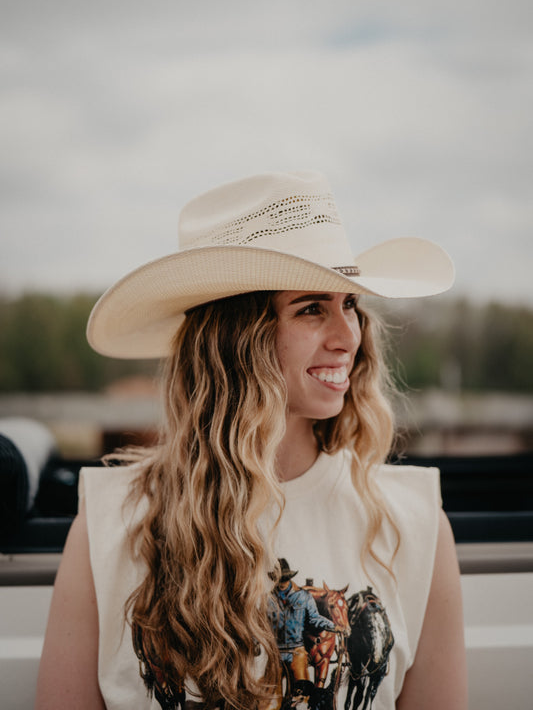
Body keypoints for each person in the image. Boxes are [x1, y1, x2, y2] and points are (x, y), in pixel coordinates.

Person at [36, 171, 468, 710]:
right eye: (312, 308)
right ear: (235, 340)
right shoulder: (109, 524)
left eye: (350, 303)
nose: (348, 336)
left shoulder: (414, 524)